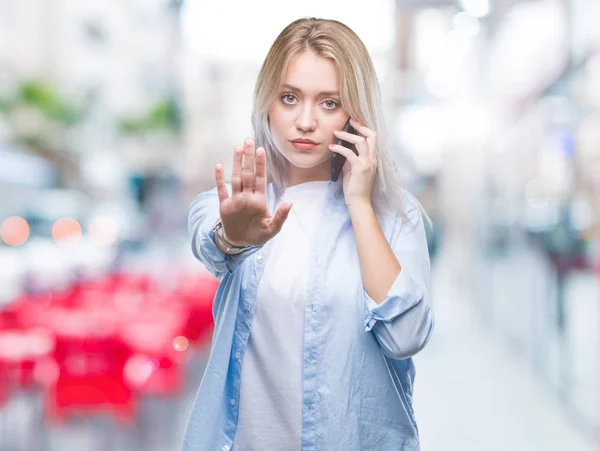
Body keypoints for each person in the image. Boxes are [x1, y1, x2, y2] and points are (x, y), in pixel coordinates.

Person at [181, 17, 434, 451]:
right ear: (267, 103)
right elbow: (214, 243)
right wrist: (234, 238)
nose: (305, 120)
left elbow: (406, 338)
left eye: (329, 102)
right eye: (290, 97)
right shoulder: (231, 204)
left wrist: (359, 204)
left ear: (357, 113)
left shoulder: (395, 216)